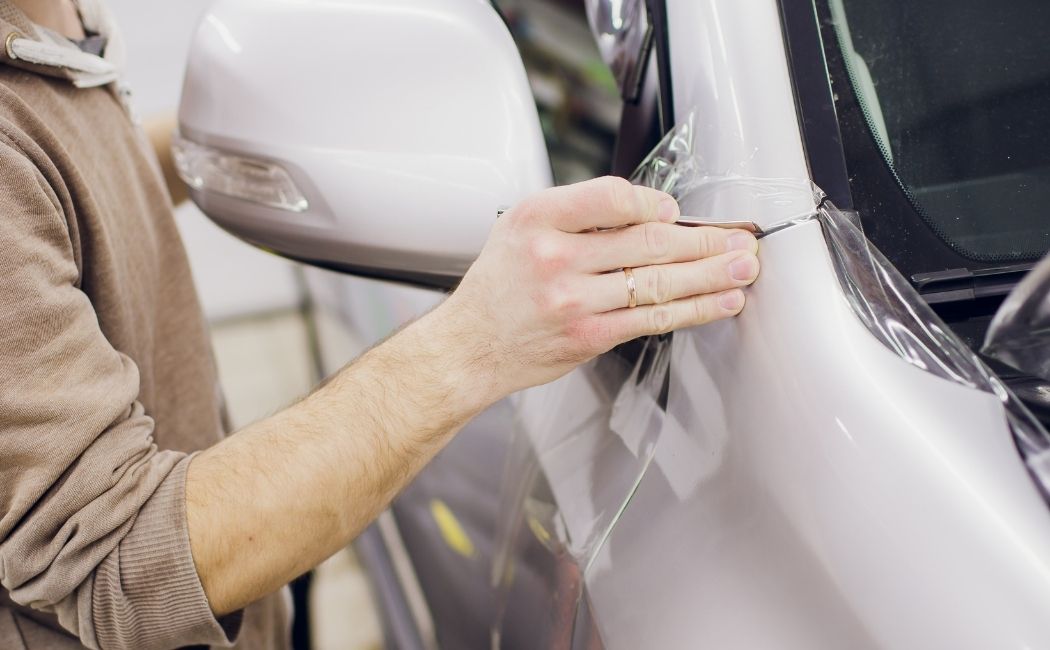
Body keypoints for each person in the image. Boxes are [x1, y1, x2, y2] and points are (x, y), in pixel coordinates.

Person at [0, 1, 761, 648]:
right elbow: (116, 559)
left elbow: (69, 176)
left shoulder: (50, 19)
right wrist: (477, 340)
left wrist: (223, 144)